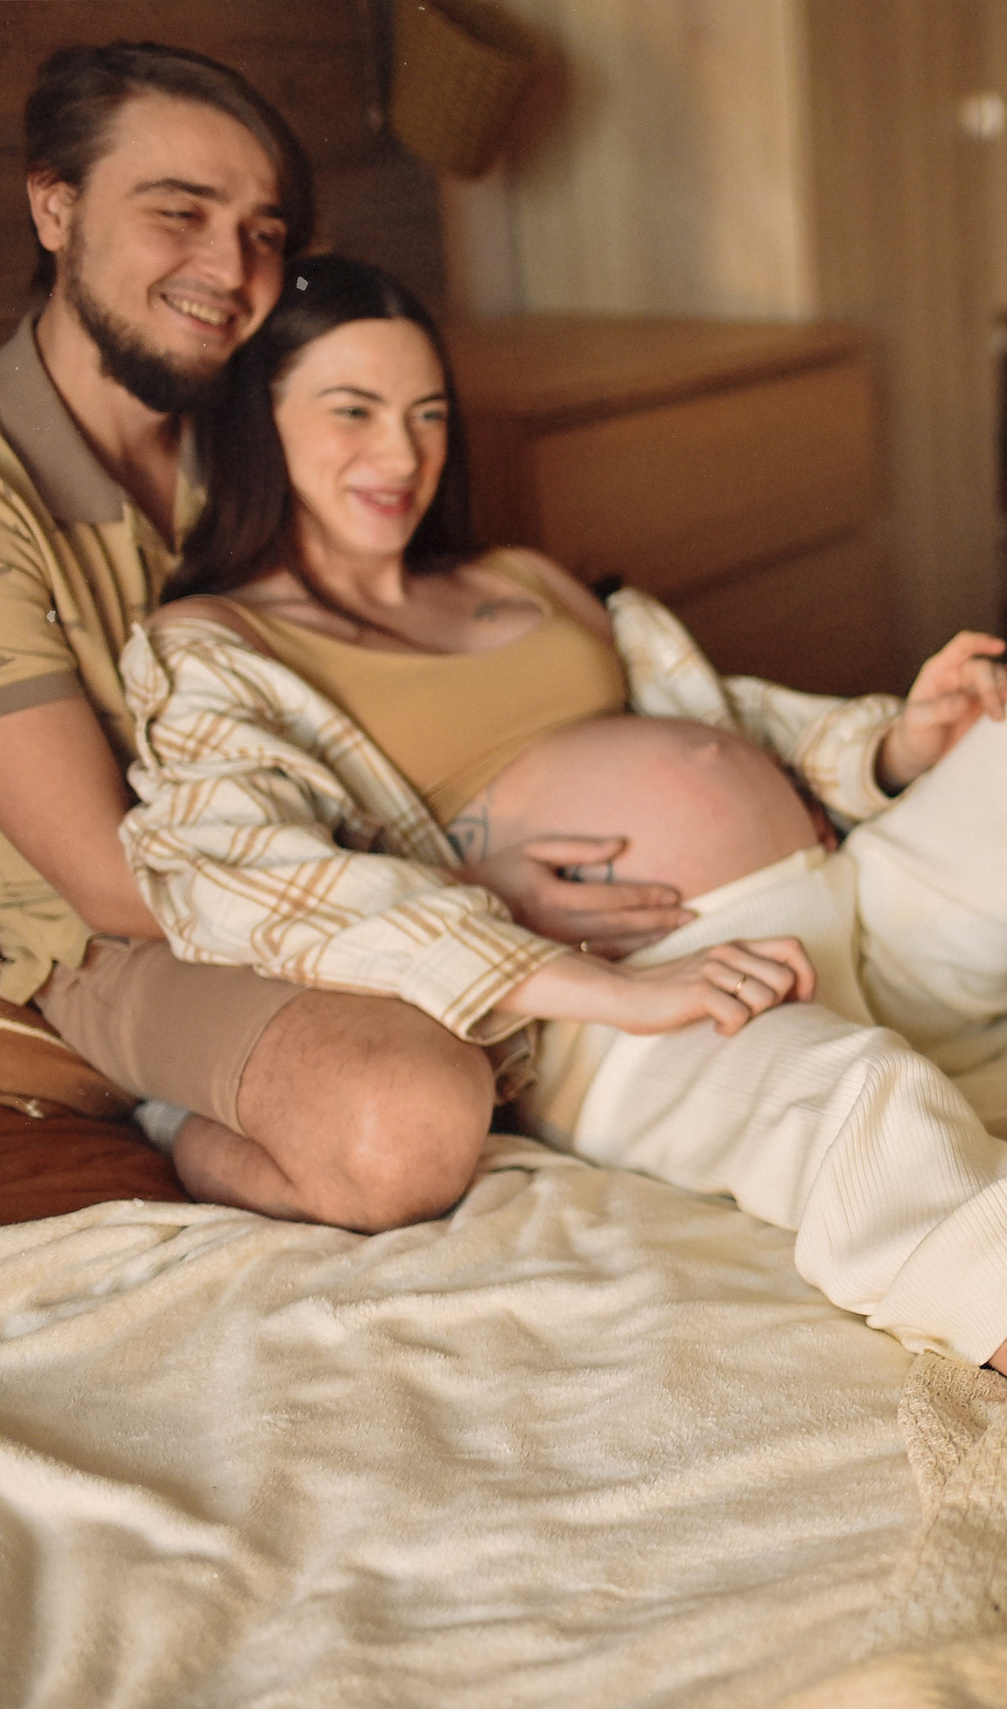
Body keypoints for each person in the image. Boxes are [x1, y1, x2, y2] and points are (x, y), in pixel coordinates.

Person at [118, 254, 1007, 1572]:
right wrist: (596, 979)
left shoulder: (520, 579)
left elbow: (727, 720)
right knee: (866, 1099)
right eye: (351, 410)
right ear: (259, 421)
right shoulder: (220, 648)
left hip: (850, 895)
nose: (401, 452)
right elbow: (245, 877)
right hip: (631, 994)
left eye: (426, 413)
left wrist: (896, 744)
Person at [0, 41, 686, 1228]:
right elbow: (113, 881)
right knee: (411, 1115)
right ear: (55, 207)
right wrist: (461, 885)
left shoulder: (263, 424)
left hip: (341, 854)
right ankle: (183, 1119)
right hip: (126, 938)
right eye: (178, 212)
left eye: (264, 231)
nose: (230, 269)